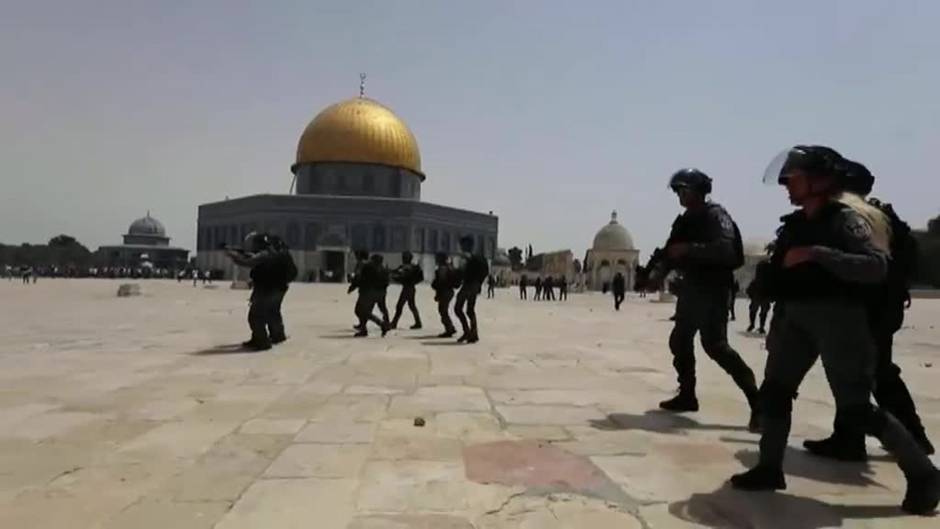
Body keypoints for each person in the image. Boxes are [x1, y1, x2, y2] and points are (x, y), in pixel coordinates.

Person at [730, 146, 939, 515]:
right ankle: (768, 468)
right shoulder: (796, 224)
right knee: (776, 393)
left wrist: (817, 254)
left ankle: (924, 474)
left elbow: (876, 267)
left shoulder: (846, 221)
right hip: (795, 318)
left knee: (856, 409)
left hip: (839, 320)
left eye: (794, 176)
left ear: (819, 181)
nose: (786, 183)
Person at [802, 158, 934, 458]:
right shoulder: (878, 214)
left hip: (871, 306)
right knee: (856, 371)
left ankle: (912, 437)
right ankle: (849, 438)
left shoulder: (859, 216)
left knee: (875, 372)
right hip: (879, 304)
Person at [644, 168, 760, 431]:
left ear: (699, 192)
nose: (680, 196)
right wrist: (656, 274)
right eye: (678, 192)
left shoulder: (716, 216)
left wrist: (689, 249)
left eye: (684, 191)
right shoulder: (685, 221)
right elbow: (670, 252)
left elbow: (727, 250)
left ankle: (758, 402)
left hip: (713, 289)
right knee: (680, 339)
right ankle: (687, 395)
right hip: (692, 289)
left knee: (716, 346)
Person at [226, 232, 296, 350]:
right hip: (280, 287)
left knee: (256, 316)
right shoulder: (276, 252)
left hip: (266, 289)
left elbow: (247, 262)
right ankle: (277, 336)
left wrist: (232, 255)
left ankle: (262, 341)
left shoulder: (265, 254)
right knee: (273, 312)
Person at [454, 235, 489, 343]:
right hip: (475, 286)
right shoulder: (481, 258)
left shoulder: (465, 258)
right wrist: (479, 283)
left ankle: (467, 332)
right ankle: (474, 333)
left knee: (458, 308)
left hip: (468, 285)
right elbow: (486, 272)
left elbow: (461, 272)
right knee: (470, 310)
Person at [353, 254, 390, 337]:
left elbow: (361, 279)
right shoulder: (384, 269)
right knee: (365, 312)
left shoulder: (368, 268)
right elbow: (387, 283)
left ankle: (381, 324)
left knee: (360, 310)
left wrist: (353, 286)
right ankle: (364, 329)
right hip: (380, 293)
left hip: (368, 293)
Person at [390, 251, 423, 330]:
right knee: (412, 306)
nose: (403, 258)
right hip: (410, 288)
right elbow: (396, 271)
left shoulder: (408, 267)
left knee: (400, 306)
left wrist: (395, 277)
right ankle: (418, 322)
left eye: (404, 257)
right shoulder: (409, 267)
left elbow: (402, 276)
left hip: (407, 288)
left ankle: (394, 323)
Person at [431, 252, 458, 337]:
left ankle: (449, 329)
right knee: (443, 310)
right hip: (449, 291)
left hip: (445, 292)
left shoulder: (442, 268)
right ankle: (450, 328)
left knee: (443, 311)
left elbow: (441, 283)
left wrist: (437, 292)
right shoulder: (449, 267)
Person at [746, 262, 772, 334]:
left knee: (753, 311)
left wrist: (751, 294)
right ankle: (761, 327)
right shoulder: (768, 280)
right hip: (764, 296)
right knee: (763, 312)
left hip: (757, 296)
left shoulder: (757, 280)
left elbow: (749, 289)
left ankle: (752, 325)